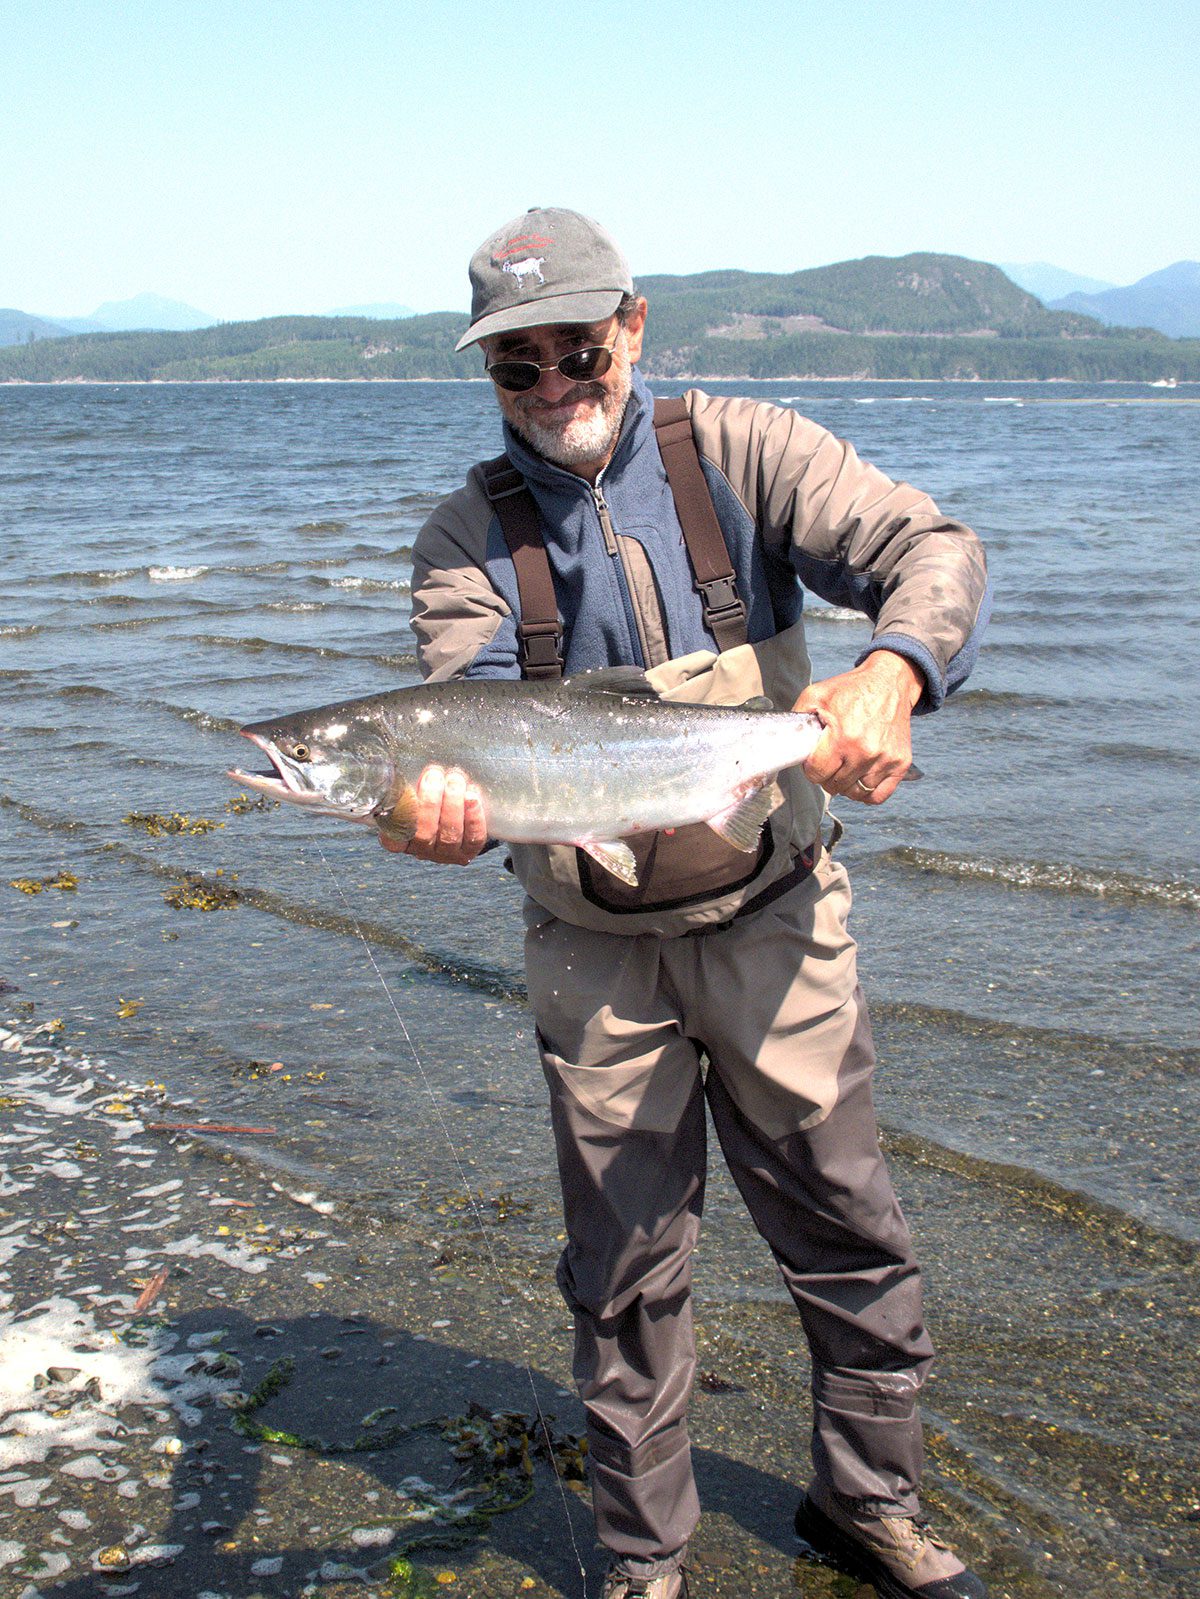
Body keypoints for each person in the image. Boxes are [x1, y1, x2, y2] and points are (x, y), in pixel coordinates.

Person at [384, 207, 992, 1599]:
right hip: (595, 955)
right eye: (513, 367)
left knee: (846, 1226)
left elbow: (934, 548)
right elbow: (465, 716)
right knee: (625, 1271)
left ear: (634, 327)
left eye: (575, 350)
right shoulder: (463, 538)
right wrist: (440, 822)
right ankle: (645, 1563)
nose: (551, 389)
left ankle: (869, 1503)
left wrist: (892, 672)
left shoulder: (744, 453)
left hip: (777, 915)